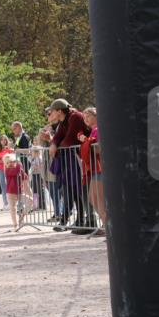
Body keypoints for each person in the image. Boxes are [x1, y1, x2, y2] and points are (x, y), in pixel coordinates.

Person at [48, 98, 91, 234]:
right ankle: (75, 220)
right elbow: (59, 136)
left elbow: (70, 139)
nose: (50, 114)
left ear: (59, 111)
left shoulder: (75, 117)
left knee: (78, 190)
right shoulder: (64, 120)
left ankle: (82, 220)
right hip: (71, 159)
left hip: (80, 159)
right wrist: (54, 144)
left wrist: (58, 147)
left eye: (52, 111)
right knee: (70, 189)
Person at [79, 107, 106, 238]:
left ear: (96, 116)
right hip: (96, 168)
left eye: (88, 116)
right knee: (93, 197)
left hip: (100, 168)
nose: (85, 119)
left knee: (97, 198)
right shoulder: (94, 131)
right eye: (84, 117)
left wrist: (86, 141)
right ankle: (106, 225)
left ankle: (107, 227)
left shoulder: (98, 129)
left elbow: (98, 148)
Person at [0, 134, 14, 211]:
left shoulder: (8, 149)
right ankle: (5, 204)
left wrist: (1, 160)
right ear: (0, 141)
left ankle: (11, 203)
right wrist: (2, 160)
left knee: (10, 186)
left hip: (9, 169)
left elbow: (11, 158)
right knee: (3, 187)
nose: (3, 141)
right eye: (2, 140)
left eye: (5, 139)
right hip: (0, 170)